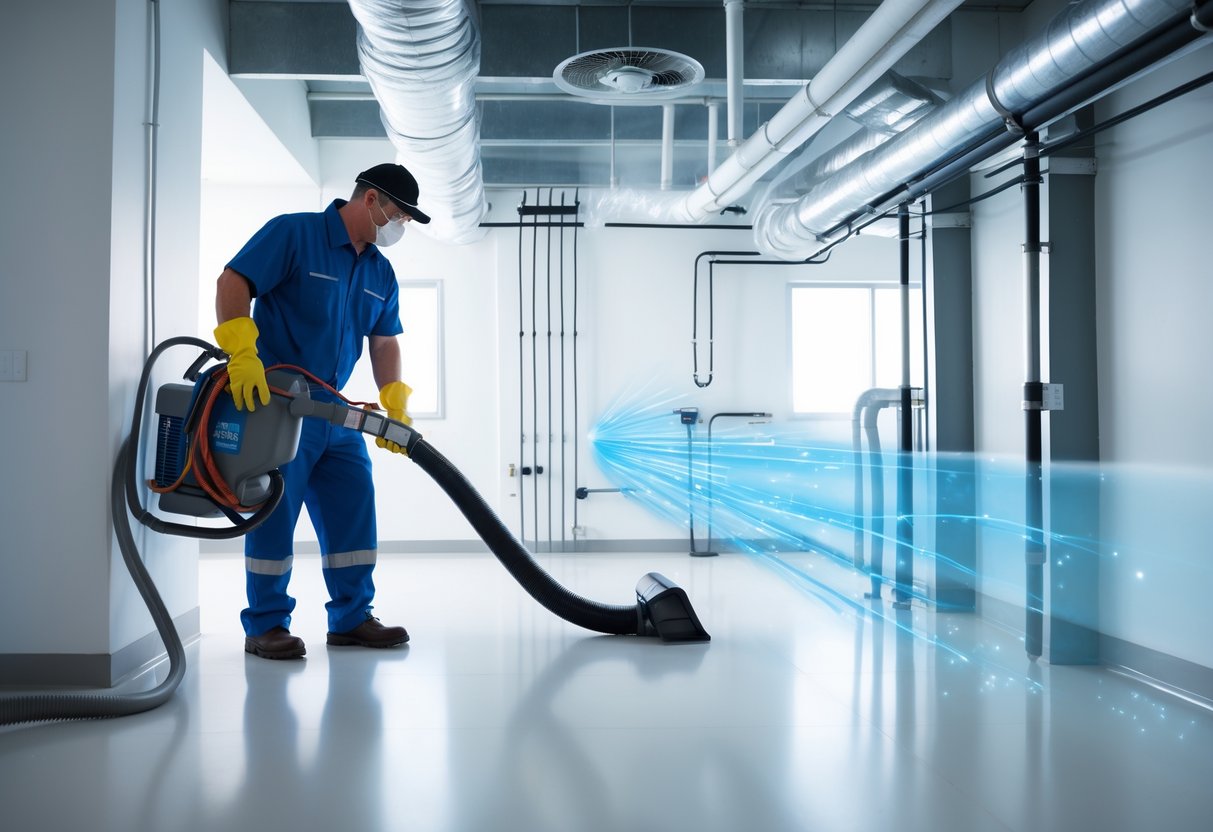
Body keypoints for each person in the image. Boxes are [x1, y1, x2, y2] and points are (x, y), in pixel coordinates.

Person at [213, 163, 431, 660]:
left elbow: (383, 339)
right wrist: (241, 354)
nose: (400, 228)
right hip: (279, 404)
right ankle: (266, 624)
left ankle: (352, 618)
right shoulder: (295, 233)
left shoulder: (379, 269)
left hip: (334, 407)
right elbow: (233, 281)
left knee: (354, 504)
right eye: (398, 215)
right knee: (275, 512)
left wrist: (394, 398)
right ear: (371, 200)